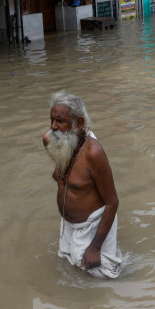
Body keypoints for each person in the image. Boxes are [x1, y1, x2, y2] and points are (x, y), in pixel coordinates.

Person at [42, 91, 122, 278]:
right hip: (68, 224)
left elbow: (113, 202)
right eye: (51, 119)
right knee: (72, 271)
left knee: (105, 276)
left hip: (92, 224)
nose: (53, 127)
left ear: (78, 124)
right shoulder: (51, 140)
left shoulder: (93, 153)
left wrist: (95, 247)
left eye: (60, 121)